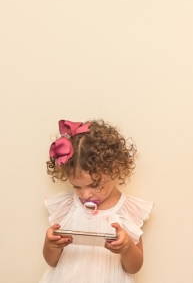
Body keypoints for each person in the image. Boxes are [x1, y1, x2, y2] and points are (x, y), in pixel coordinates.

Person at [39, 119, 153, 283]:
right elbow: (52, 262)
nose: (86, 194)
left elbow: (134, 267)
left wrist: (127, 247)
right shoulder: (68, 207)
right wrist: (51, 245)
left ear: (114, 169)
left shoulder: (127, 210)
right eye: (77, 187)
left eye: (94, 185)